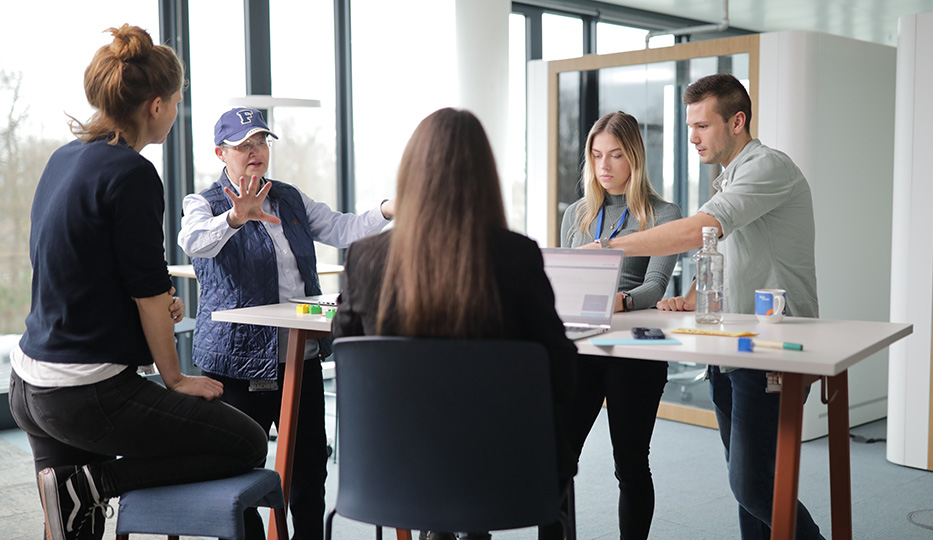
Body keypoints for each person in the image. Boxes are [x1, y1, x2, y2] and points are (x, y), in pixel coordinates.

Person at [9, 25, 267, 540]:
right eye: (175, 102)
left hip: (30, 382)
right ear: (154, 106)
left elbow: (74, 272)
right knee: (247, 442)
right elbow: (150, 294)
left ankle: (79, 487)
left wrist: (145, 308)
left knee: (70, 524)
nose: (176, 113)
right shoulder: (132, 173)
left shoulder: (65, 158)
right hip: (85, 392)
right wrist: (175, 379)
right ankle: (99, 481)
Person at [586, 73, 822, 539]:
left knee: (753, 483)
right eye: (689, 125)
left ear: (737, 121)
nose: (691, 137)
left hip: (773, 346)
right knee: (748, 490)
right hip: (731, 346)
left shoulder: (767, 167)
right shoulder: (727, 179)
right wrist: (689, 297)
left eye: (702, 126)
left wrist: (611, 249)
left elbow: (703, 228)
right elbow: (724, 250)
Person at [332, 107, 578, 540]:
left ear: (410, 175)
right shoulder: (516, 256)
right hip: (505, 472)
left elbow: (350, 360)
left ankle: (439, 528)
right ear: (485, 177)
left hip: (392, 472)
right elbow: (559, 374)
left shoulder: (365, 258)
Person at [178, 107, 395, 540]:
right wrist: (236, 218)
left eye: (260, 141)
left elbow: (342, 228)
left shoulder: (290, 197)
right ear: (221, 152)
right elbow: (192, 242)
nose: (254, 151)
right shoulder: (204, 203)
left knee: (309, 466)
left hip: (299, 356)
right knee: (238, 470)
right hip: (234, 364)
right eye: (243, 145)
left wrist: (389, 210)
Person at [560, 111, 681, 539]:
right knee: (556, 460)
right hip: (580, 347)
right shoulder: (576, 214)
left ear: (634, 157)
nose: (604, 166)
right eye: (596, 156)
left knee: (630, 465)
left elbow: (655, 287)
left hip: (634, 351)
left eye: (615, 155)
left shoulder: (665, 214)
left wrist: (620, 300)